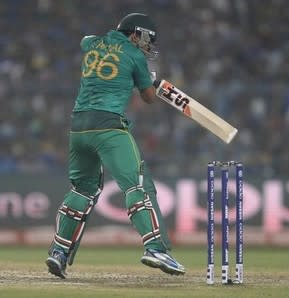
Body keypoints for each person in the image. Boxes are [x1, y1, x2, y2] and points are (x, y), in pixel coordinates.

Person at [45, 13, 185, 279]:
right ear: (136, 33)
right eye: (147, 38)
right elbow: (148, 98)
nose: (148, 44)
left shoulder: (92, 43)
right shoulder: (135, 56)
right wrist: (147, 79)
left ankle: (58, 252)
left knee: (83, 190)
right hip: (109, 127)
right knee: (137, 184)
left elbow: (85, 41)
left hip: (78, 128)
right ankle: (155, 248)